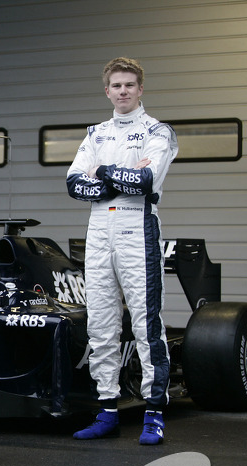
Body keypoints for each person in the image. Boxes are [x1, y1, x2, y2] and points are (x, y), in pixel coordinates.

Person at [66, 57, 178, 445]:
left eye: (130, 85)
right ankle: (107, 410)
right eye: (116, 85)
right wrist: (117, 178)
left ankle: (154, 413)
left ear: (140, 89)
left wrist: (104, 173)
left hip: (138, 229)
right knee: (100, 325)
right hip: (98, 232)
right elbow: (73, 183)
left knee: (147, 325)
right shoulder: (96, 134)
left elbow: (146, 180)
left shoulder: (158, 131)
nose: (123, 91)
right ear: (107, 90)